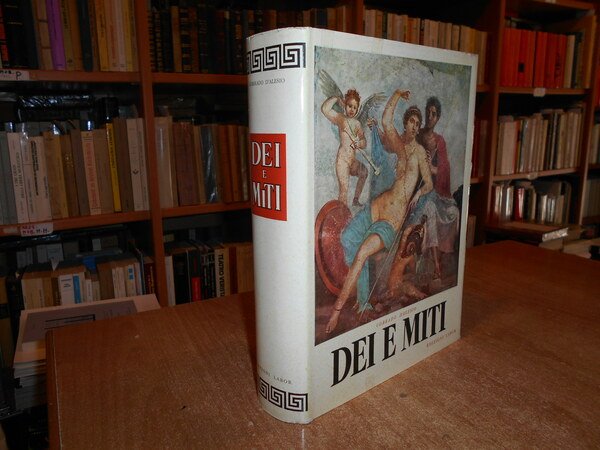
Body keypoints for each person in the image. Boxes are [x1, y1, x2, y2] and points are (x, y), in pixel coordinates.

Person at [325, 89, 433, 334]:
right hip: (377, 207)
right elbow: (386, 121)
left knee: (363, 252)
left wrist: (418, 193)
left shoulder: (419, 154)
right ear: (406, 124)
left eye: (418, 124)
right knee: (348, 238)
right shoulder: (400, 147)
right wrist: (397, 95)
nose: (414, 126)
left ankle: (337, 311)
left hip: (391, 220)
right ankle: (362, 300)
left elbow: (429, 183)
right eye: (411, 121)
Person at [410, 96, 460, 279]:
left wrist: (432, 167)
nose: (430, 117)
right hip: (419, 189)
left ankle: (441, 256)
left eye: (434, 114)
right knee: (430, 209)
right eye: (428, 112)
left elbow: (444, 169)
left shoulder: (440, 141)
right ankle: (436, 265)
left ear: (438, 118)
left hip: (436, 191)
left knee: (454, 212)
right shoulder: (418, 135)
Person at [321, 89, 368, 206]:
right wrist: (337, 99)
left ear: (357, 109)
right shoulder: (340, 118)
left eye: (355, 107)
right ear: (345, 105)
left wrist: (359, 144)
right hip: (343, 160)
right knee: (344, 191)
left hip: (352, 161)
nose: (352, 109)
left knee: (364, 172)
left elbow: (364, 141)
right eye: (349, 106)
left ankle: (356, 200)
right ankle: (342, 214)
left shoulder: (357, 124)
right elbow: (325, 109)